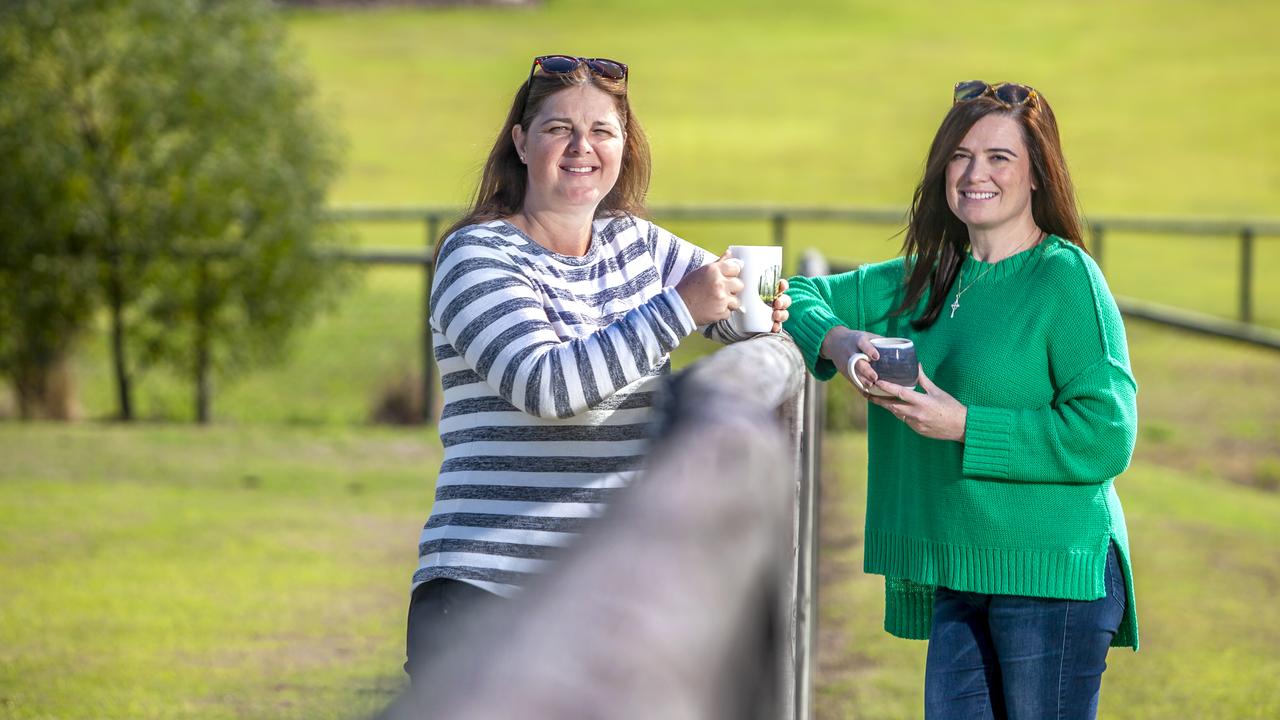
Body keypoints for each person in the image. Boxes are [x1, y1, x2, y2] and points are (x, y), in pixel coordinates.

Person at [405, 55, 791, 681]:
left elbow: (732, 301)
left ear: (623, 146)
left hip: (605, 597)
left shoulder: (632, 241)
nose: (583, 147)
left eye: (602, 131)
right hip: (489, 594)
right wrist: (682, 308)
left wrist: (783, 320)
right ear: (521, 142)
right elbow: (549, 386)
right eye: (559, 128)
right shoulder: (475, 253)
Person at [784, 80, 1138, 719]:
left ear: (1037, 175)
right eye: (960, 155)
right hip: (961, 575)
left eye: (1000, 157)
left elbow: (1107, 433)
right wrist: (835, 341)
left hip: (1053, 579)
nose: (976, 173)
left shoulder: (1065, 277)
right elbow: (777, 294)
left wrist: (965, 426)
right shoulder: (923, 277)